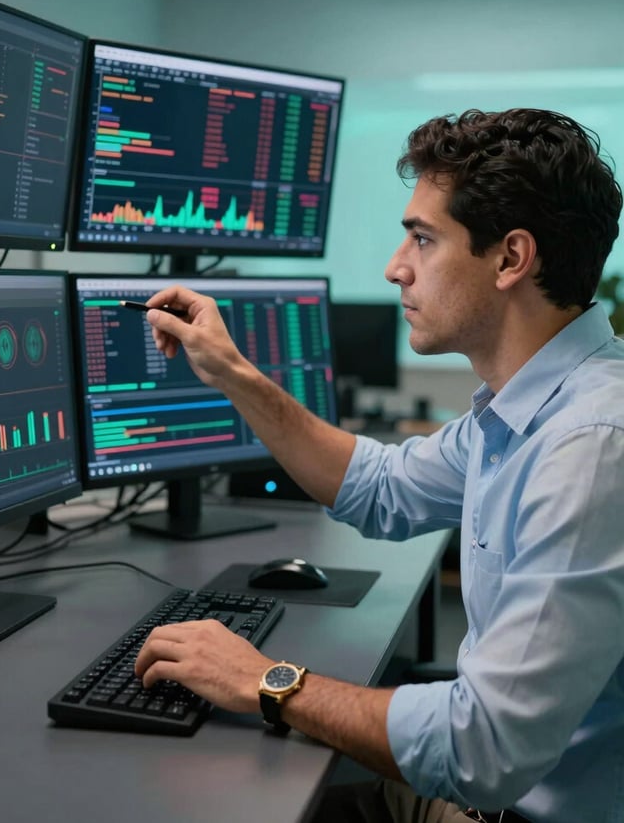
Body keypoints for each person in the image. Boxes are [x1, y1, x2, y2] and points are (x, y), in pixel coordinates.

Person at [134, 108, 624, 823]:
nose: (396, 267)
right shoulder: (526, 408)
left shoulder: (590, 447)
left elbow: (482, 751)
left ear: (511, 259)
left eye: (423, 240)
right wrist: (234, 373)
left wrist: (264, 681)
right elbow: (378, 487)